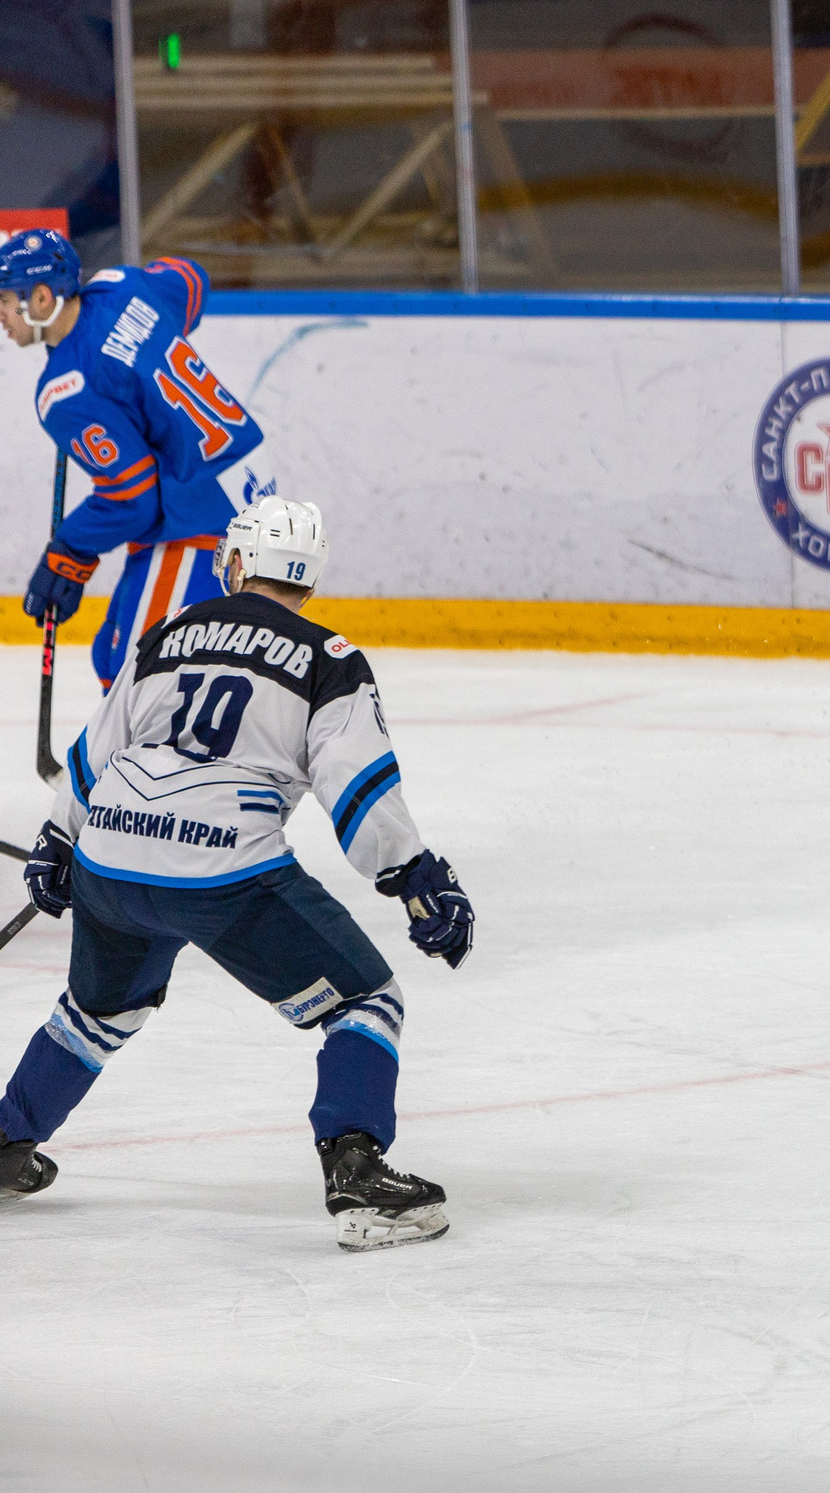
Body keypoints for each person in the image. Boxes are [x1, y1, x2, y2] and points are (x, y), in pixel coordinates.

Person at [0, 499, 475, 1252]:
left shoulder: (170, 632)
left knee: (95, 1013)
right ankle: (356, 1171)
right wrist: (413, 875)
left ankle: (5, 1139)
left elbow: (98, 747)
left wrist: (59, 839)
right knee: (366, 1000)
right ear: (308, 580)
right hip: (222, 868)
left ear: (236, 563)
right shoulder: (329, 656)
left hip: (110, 854)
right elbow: (357, 786)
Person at [0, 228, 272, 689]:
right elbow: (191, 278)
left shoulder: (66, 389)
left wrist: (70, 550)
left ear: (41, 298)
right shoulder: (123, 286)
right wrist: (147, 349)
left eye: (5, 300)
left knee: (138, 674)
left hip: (203, 517)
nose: (1, 314)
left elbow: (132, 497)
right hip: (246, 483)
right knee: (114, 654)